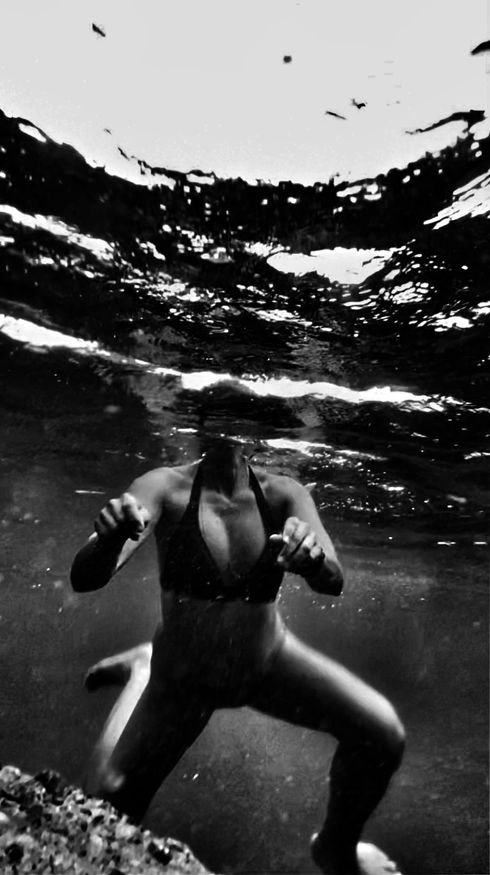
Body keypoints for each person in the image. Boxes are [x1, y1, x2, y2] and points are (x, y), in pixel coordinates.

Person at [71, 437, 405, 875]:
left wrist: (312, 560)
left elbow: (333, 580)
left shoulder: (284, 493)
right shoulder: (163, 486)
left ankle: (336, 848)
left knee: (382, 736)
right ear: (197, 416)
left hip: (266, 665)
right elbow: (85, 577)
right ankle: (143, 670)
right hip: (183, 681)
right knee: (103, 810)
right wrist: (108, 539)